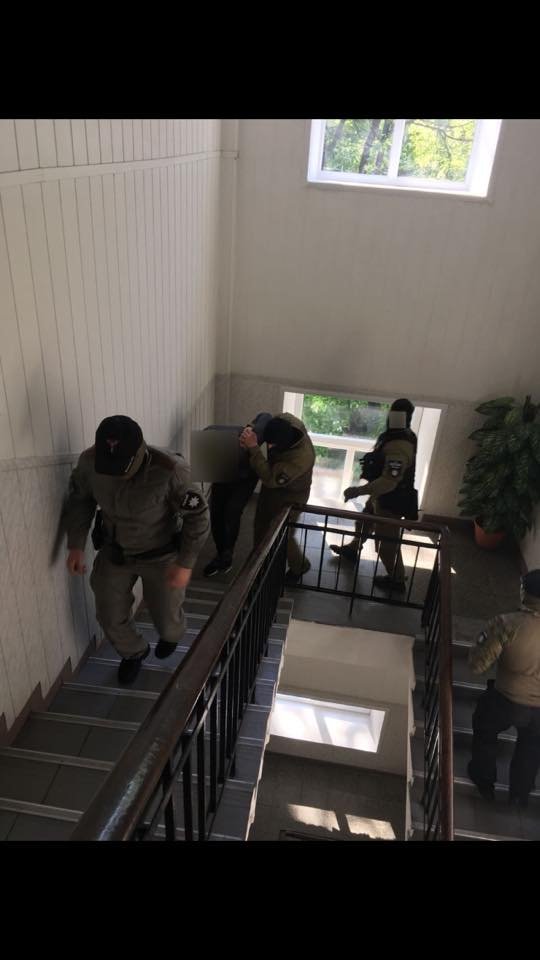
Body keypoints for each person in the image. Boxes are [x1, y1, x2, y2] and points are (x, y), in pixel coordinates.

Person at [65, 415, 209, 685]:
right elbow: (80, 500)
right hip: (115, 552)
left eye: (122, 466)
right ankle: (133, 652)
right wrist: (76, 545)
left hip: (161, 554)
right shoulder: (89, 462)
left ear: (140, 451)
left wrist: (186, 563)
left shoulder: (171, 470)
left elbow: (198, 516)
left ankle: (171, 635)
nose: (115, 473)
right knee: (108, 612)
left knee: (167, 619)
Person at [467, 569, 540, 807]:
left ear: (524, 592)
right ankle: (519, 795)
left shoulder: (506, 623)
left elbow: (477, 665)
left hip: (505, 699)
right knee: (531, 748)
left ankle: (484, 781)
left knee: (485, 731)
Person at [331, 398, 418, 592]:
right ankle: (353, 549)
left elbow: (389, 481)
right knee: (365, 521)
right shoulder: (401, 435)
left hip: (391, 501)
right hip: (383, 496)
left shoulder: (400, 444)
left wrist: (357, 491)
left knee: (387, 544)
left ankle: (397, 580)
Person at [240, 413, 315, 586]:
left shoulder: (300, 459)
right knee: (261, 524)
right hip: (272, 489)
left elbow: (270, 478)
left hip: (292, 495)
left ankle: (300, 566)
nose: (270, 447)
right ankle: (259, 563)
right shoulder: (286, 420)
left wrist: (253, 448)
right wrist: (250, 430)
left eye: (274, 445)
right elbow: (264, 418)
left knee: (283, 533)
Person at [202, 412, 273, 577]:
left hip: (246, 478)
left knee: (232, 512)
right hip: (225, 473)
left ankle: (227, 554)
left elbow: (266, 416)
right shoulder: (212, 446)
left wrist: (250, 429)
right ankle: (221, 554)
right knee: (216, 514)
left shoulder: (249, 437)